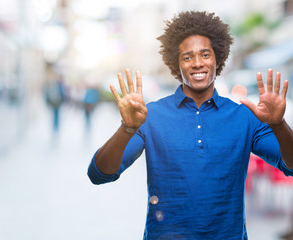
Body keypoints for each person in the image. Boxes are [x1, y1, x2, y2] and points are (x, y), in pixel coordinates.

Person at [87, 11, 293, 239]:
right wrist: (127, 129)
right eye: (187, 57)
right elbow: (99, 174)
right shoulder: (150, 116)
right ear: (177, 63)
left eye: (205, 54)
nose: (197, 63)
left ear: (218, 58)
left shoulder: (244, 117)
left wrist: (279, 124)